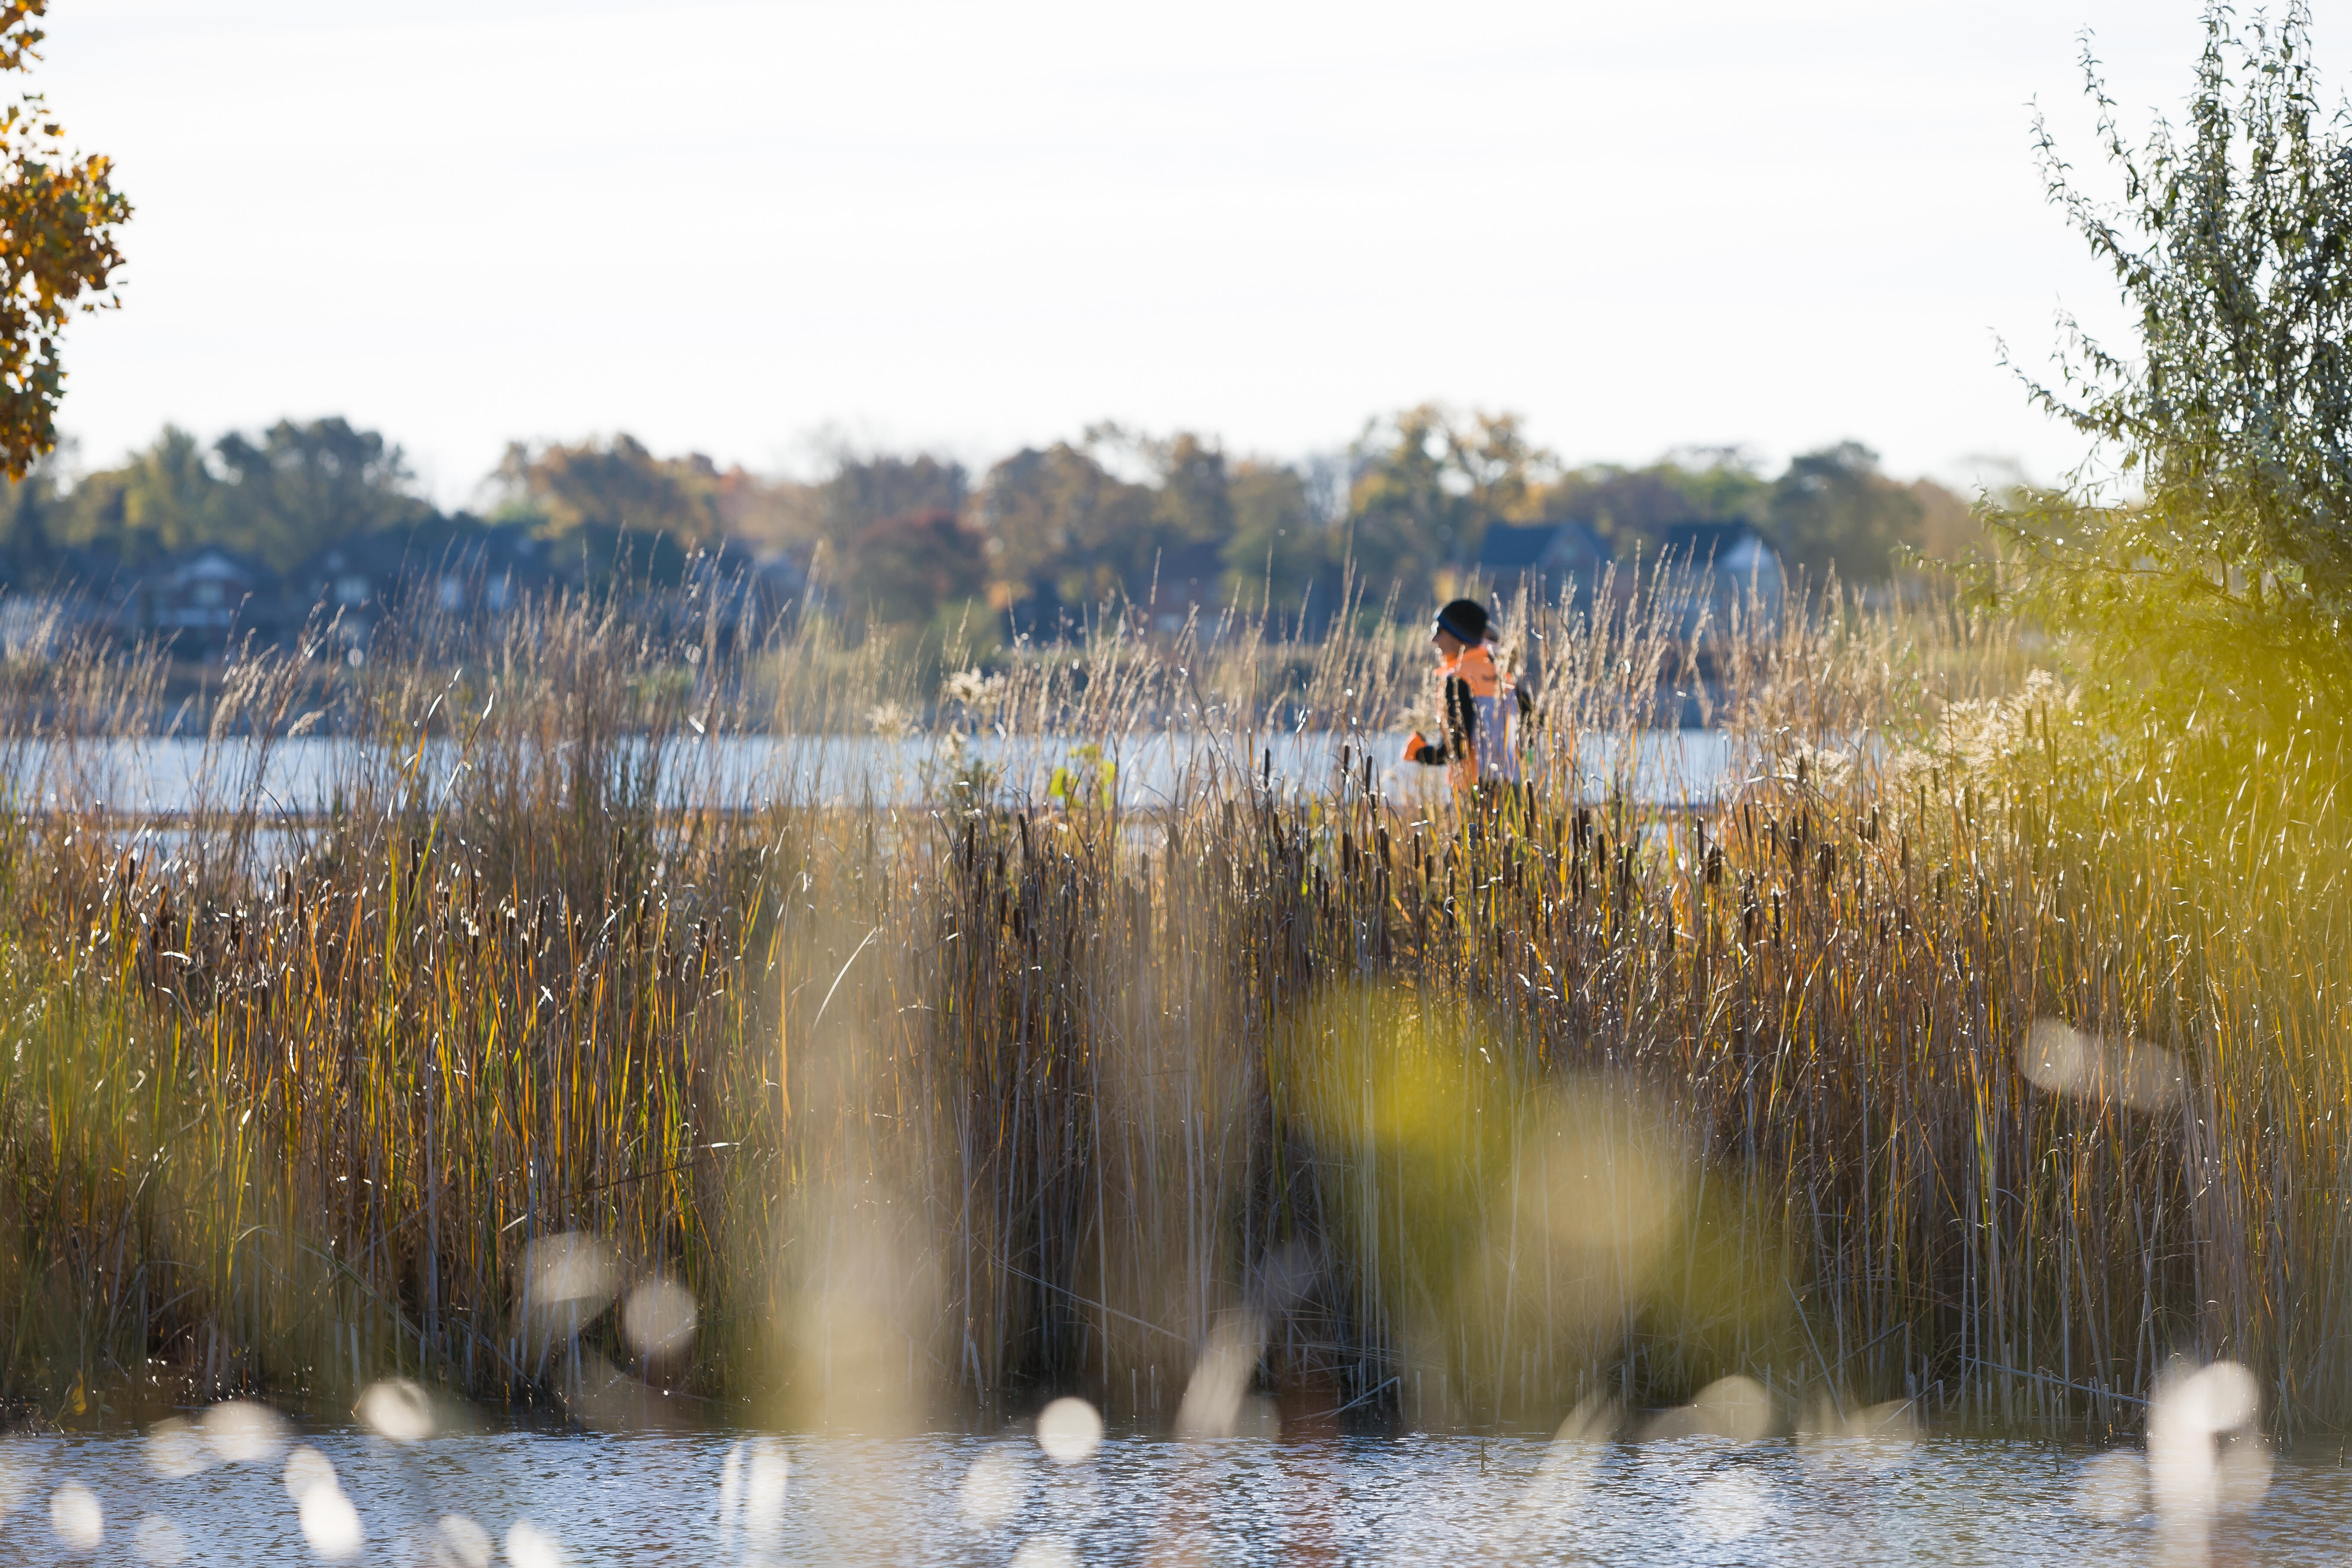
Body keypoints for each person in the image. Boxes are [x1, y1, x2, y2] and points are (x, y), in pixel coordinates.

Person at [1403, 598, 1521, 790]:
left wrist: (1418, 752)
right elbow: (1532, 730)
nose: (1433, 639)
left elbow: (1455, 750)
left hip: (1476, 792)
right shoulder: (1503, 674)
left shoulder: (1459, 679)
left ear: (1459, 636)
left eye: (1439, 631)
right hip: (1514, 787)